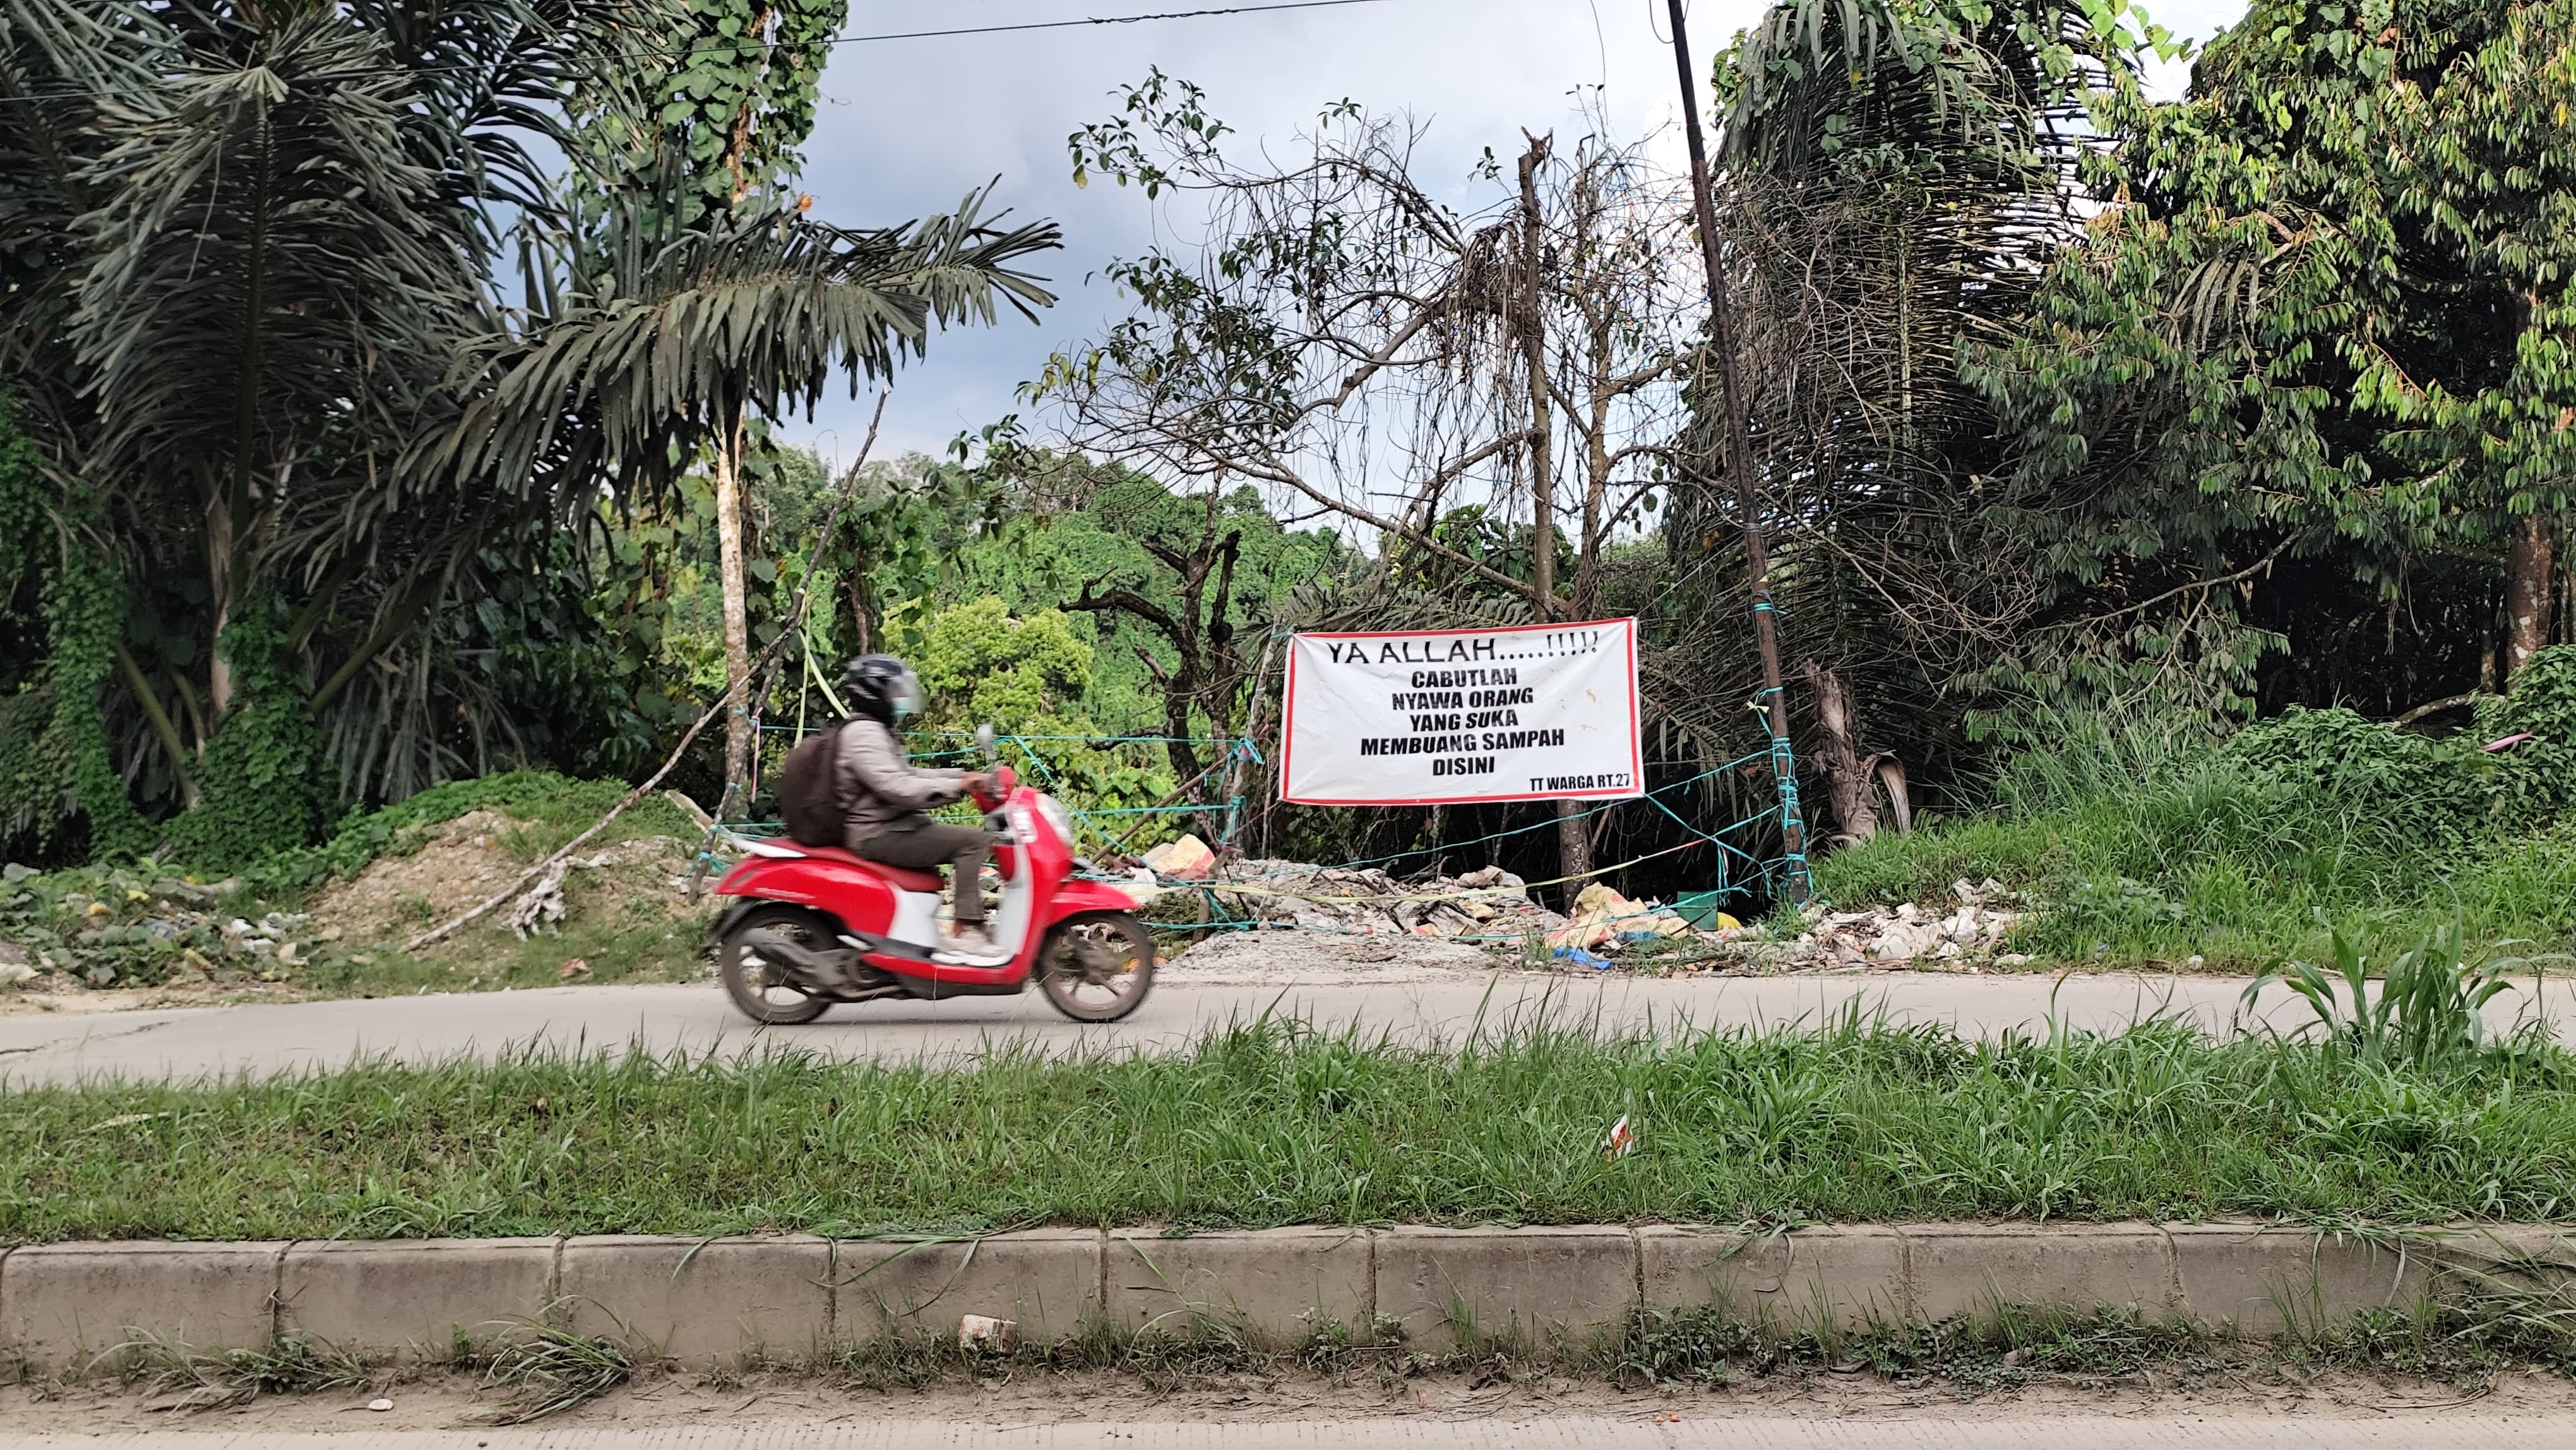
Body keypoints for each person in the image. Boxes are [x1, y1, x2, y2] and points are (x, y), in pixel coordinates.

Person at [832, 655, 1001, 954]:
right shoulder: (863, 734)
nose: (901, 698)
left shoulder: (874, 730)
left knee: (948, 840)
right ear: (874, 694)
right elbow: (898, 787)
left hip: (889, 825)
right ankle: (969, 931)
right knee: (972, 842)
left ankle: (933, 936)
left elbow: (909, 774)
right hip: (877, 833)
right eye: (894, 692)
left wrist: (962, 777)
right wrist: (957, 786)